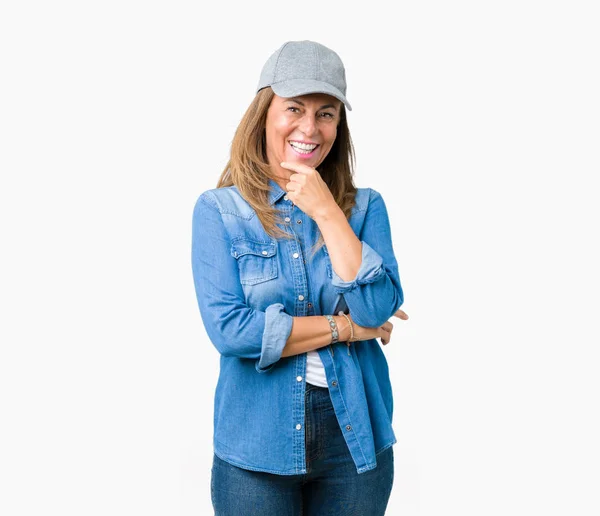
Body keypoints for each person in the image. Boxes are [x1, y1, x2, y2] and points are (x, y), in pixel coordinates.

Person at [191, 40, 409, 515]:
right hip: (256, 442)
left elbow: (376, 307)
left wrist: (327, 210)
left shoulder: (366, 207)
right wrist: (347, 329)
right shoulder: (220, 211)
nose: (309, 128)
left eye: (326, 113)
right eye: (294, 108)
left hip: (356, 439)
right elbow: (231, 330)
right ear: (264, 113)